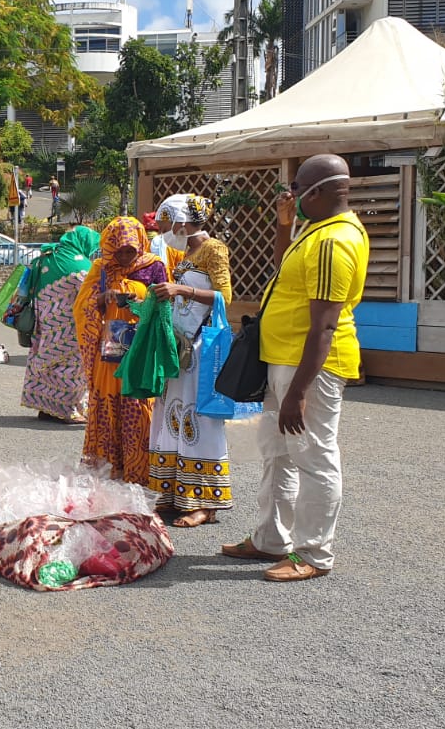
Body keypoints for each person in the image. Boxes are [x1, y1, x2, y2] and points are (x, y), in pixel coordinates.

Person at [221, 154, 371, 583]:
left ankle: (314, 553)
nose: (290, 194)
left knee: (313, 456)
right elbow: (286, 275)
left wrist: (299, 392)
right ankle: (271, 538)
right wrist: (285, 225)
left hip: (310, 368)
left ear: (318, 192)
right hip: (284, 358)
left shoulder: (333, 242)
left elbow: (324, 325)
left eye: (296, 187)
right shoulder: (316, 231)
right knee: (277, 453)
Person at [147, 194, 234, 527]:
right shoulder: (185, 252)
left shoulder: (214, 249)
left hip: (200, 346)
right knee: (173, 414)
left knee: (199, 419)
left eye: (166, 221)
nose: (163, 227)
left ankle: (206, 503)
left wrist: (180, 291)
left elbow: (225, 296)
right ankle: (173, 493)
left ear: (182, 222)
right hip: (180, 344)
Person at [73, 216, 166, 484]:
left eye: (130, 251)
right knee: (107, 406)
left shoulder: (154, 267)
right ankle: (108, 472)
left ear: (140, 246)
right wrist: (105, 298)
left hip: (141, 348)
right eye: (119, 251)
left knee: (138, 407)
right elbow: (82, 307)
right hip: (110, 352)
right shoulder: (101, 268)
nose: (125, 257)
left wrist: (141, 301)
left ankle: (141, 473)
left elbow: (165, 304)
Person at [20, 224, 98, 423]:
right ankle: (67, 410)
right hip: (69, 328)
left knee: (45, 363)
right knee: (71, 367)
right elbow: (92, 295)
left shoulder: (45, 257)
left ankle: (46, 408)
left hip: (45, 324)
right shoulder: (80, 265)